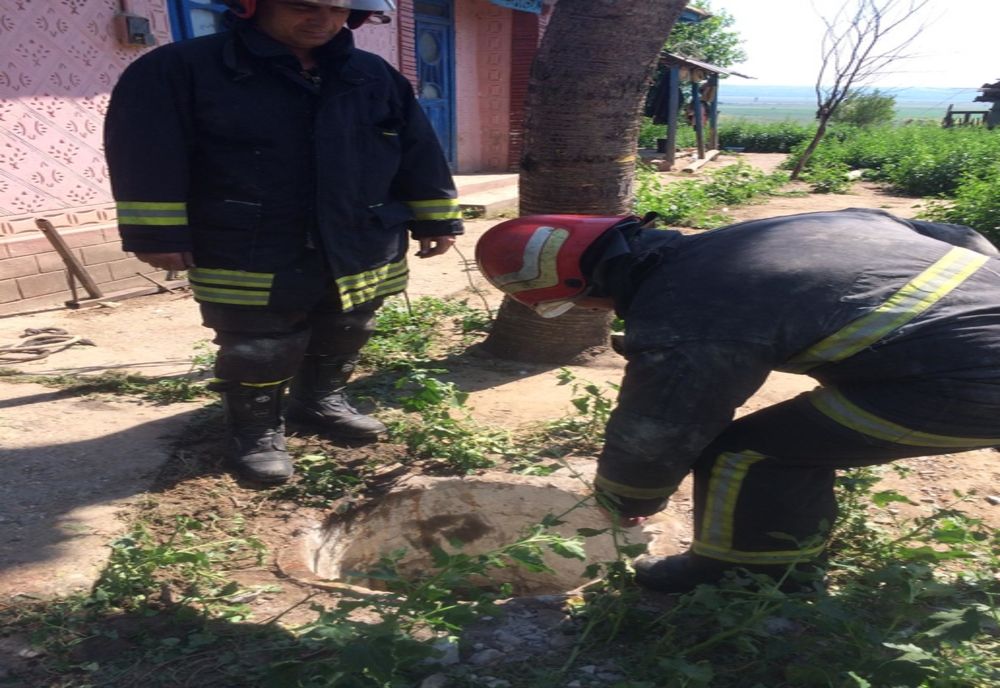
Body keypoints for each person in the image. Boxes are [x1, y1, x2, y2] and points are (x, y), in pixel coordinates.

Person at [475, 208, 1000, 593]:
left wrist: (628, 499)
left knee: (748, 454)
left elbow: (662, 427)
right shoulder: (772, 231)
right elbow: (961, 238)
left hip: (972, 386)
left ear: (582, 288)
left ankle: (751, 580)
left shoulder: (686, 311)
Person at [104, 0, 463, 485]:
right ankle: (253, 433)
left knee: (348, 324)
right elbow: (146, 155)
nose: (324, 20)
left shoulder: (372, 73)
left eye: (339, 10)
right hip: (248, 240)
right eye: (303, 6)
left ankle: (318, 402)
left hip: (357, 235)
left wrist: (435, 216)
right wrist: (157, 232)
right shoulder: (178, 69)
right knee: (259, 346)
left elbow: (418, 148)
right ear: (253, 5)